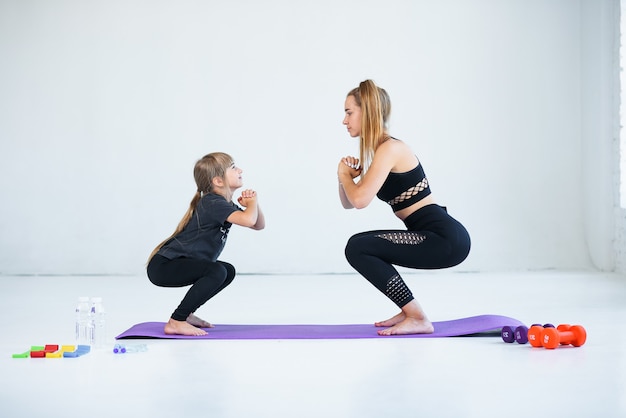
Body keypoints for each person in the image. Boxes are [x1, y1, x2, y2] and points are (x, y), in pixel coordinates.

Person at [337, 80, 471, 336]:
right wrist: (343, 177)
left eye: (349, 112)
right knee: (358, 247)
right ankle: (408, 309)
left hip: (444, 238)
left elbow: (360, 200)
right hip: (432, 236)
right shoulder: (380, 152)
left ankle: (418, 317)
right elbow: (349, 203)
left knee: (358, 247)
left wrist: (345, 176)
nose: (344, 120)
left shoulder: (391, 149)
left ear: (368, 111)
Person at [147, 152, 265, 336]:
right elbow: (250, 220)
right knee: (216, 271)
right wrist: (252, 204)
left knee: (227, 270)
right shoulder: (212, 202)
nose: (240, 170)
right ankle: (176, 321)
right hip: (164, 266)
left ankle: (186, 315)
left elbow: (258, 225)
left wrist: (253, 205)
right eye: (233, 167)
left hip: (173, 265)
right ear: (218, 181)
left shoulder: (222, 203)